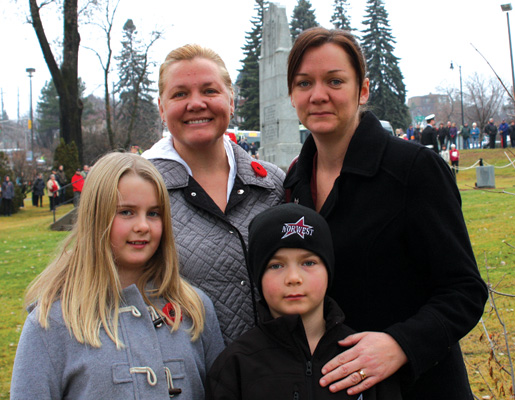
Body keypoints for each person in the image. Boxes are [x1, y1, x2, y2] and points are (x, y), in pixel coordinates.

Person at [283, 27, 487, 399]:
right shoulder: (295, 180)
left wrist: (400, 345)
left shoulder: (412, 169)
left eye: (335, 81)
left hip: (418, 387)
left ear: (362, 90)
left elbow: (464, 290)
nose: (318, 95)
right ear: (292, 95)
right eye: (303, 83)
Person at [11, 152, 225, 399]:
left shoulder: (195, 309)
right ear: (96, 217)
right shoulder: (52, 323)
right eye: (126, 212)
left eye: (153, 213)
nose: (143, 226)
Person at [142, 44, 285, 344]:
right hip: (186, 379)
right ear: (162, 108)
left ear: (231, 101)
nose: (196, 103)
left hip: (276, 377)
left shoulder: (272, 185)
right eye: (180, 94)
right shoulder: (137, 190)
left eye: (209, 91)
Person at [206, 203, 402, 400]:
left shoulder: (364, 356)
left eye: (308, 263)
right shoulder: (236, 364)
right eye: (276, 265)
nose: (293, 278)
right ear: (258, 276)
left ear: (328, 270)